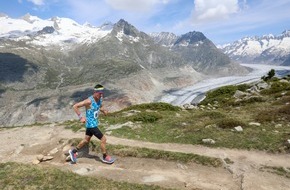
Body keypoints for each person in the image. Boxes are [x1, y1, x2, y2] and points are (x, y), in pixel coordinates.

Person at [69, 84, 113, 164]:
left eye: (102, 93)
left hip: (92, 124)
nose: (101, 95)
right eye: (100, 93)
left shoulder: (99, 99)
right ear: (95, 92)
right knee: (103, 139)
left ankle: (73, 151)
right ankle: (105, 156)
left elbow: (100, 106)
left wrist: (104, 111)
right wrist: (81, 117)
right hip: (92, 125)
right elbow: (75, 106)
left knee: (86, 140)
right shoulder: (88, 101)